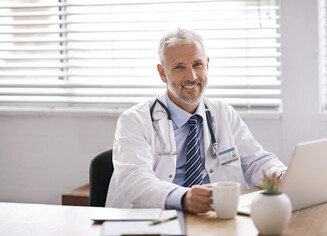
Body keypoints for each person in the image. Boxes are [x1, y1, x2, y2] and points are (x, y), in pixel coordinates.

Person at [105, 28, 287, 213]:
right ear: (162, 73)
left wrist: (281, 174)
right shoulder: (134, 120)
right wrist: (182, 197)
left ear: (207, 64)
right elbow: (134, 179)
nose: (191, 77)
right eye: (179, 67)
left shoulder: (224, 113)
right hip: (157, 219)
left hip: (216, 218)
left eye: (197, 64)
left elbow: (256, 161)